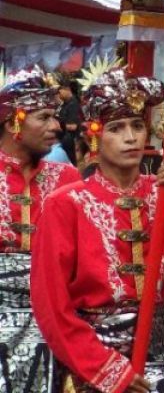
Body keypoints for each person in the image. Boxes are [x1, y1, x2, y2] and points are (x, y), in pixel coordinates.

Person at [31, 63, 164, 393]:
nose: (130, 137)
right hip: (96, 362)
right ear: (94, 134)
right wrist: (105, 370)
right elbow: (51, 304)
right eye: (116, 128)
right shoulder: (66, 204)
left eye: (137, 126)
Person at [0, 69, 82, 392]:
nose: (56, 127)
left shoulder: (68, 179)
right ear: (13, 122)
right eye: (45, 117)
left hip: (53, 321)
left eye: (57, 117)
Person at [56, 82, 83, 166]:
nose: (58, 95)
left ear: (67, 90)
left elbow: (73, 126)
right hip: (63, 139)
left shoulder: (73, 104)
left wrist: (58, 124)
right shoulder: (65, 104)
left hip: (71, 141)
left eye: (59, 92)